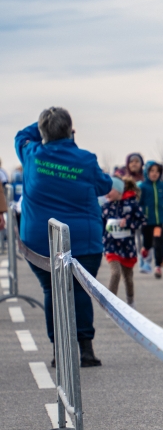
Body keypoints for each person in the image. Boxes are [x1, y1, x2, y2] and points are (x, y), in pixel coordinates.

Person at [15, 107, 113, 367]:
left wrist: (46, 128)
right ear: (70, 130)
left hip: (40, 241)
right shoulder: (86, 159)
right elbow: (104, 185)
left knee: (52, 291)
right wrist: (70, 141)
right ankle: (86, 349)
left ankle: (60, 350)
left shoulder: (31, 155)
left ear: (42, 132)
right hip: (84, 240)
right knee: (80, 291)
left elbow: (20, 136)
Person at [102, 177, 144, 307]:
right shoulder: (104, 207)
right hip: (111, 246)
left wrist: (129, 224)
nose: (107, 192)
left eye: (110, 189)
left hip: (127, 247)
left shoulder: (132, 205)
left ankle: (130, 300)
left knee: (128, 278)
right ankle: (110, 304)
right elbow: (99, 225)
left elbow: (142, 221)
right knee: (115, 273)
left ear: (119, 190)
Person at [138, 161, 163, 279]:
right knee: (148, 243)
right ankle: (145, 249)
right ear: (147, 172)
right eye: (152, 171)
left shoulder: (162, 185)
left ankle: (157, 266)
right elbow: (139, 203)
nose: (155, 174)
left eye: (157, 171)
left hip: (159, 220)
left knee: (158, 242)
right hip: (146, 220)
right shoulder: (143, 186)